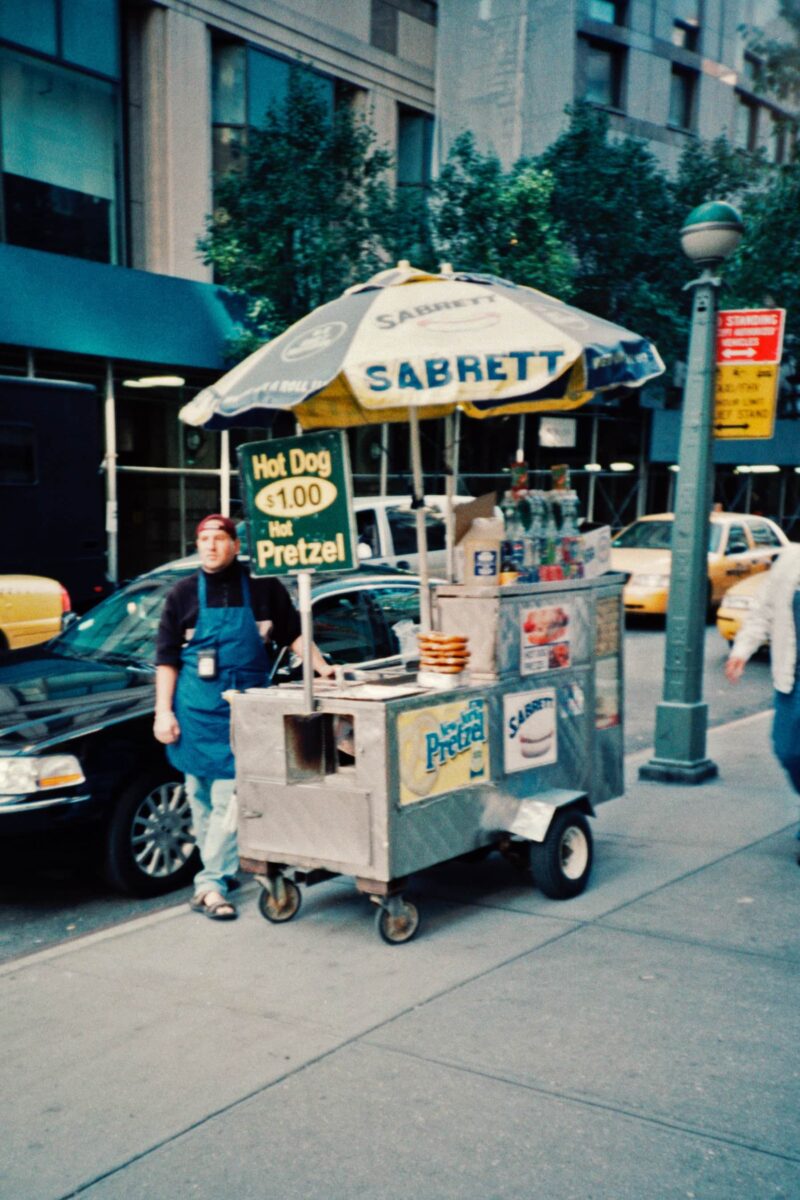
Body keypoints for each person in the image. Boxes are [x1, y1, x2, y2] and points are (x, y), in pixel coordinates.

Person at [154, 514, 335, 919]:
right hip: (194, 712)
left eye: (219, 538)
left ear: (236, 545)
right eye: (203, 539)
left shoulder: (263, 587)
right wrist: (162, 712)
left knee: (227, 799)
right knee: (198, 797)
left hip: (243, 715)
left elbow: (294, 635)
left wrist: (323, 668)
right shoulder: (182, 594)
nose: (211, 546)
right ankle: (217, 871)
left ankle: (210, 884)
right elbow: (166, 659)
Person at [725, 542, 800, 862]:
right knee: (786, 748)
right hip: (792, 678)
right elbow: (764, 610)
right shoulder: (791, 560)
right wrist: (742, 650)